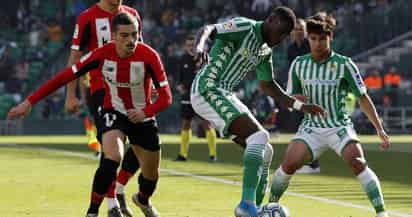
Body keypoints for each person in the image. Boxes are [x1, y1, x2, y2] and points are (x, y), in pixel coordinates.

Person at [8, 12, 172, 217]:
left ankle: (142, 199)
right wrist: (29, 101)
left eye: (134, 35)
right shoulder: (101, 54)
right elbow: (64, 76)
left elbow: (166, 98)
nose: (131, 40)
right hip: (114, 111)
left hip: (142, 116)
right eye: (124, 36)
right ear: (113, 36)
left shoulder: (149, 56)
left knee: (151, 177)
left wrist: (145, 112)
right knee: (112, 156)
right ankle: (92, 212)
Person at [191, 6, 325, 217]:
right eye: (280, 32)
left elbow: (268, 86)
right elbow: (208, 29)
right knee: (259, 136)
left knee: (266, 150)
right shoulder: (245, 26)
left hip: (223, 92)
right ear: (271, 20)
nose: (280, 39)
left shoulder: (265, 51)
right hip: (208, 87)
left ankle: (254, 208)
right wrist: (200, 47)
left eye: (285, 36)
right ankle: (246, 206)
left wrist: (300, 106)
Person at [269, 12, 390, 217]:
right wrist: (300, 103)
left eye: (322, 39)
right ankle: (269, 207)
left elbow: (363, 97)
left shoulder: (345, 64)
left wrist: (379, 128)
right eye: (313, 39)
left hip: (339, 126)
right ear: (308, 38)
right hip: (311, 128)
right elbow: (291, 99)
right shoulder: (299, 64)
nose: (317, 44)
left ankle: (381, 213)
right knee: (288, 164)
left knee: (358, 163)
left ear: (330, 37)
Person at [65, 0, 143, 216]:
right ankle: (110, 204)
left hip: (131, 86)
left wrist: (152, 84)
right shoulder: (87, 18)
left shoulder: (132, 14)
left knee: (142, 144)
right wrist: (70, 94)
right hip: (100, 87)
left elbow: (142, 51)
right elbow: (75, 57)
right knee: (111, 145)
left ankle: (118, 190)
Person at [175, 35, 217, 162]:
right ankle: (182, 155)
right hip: (187, 96)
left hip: (201, 96)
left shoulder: (204, 58)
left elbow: (211, 76)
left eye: (193, 45)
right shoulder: (183, 59)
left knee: (206, 124)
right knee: (186, 124)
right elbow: (180, 79)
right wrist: (180, 87)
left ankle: (213, 155)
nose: (191, 47)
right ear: (185, 46)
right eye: (188, 45)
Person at [287, 18, 321, 174]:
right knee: (300, 126)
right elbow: (291, 72)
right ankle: (309, 162)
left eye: (301, 29)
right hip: (298, 91)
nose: (298, 32)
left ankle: (313, 163)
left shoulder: (310, 46)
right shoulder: (290, 49)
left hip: (312, 90)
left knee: (309, 127)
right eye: (295, 29)